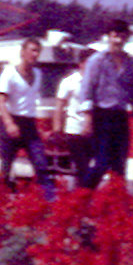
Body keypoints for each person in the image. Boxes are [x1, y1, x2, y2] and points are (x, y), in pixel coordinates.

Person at [77, 20, 133, 190]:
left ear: (127, 38)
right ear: (108, 37)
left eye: (122, 36)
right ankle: (82, 196)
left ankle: (117, 204)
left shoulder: (130, 62)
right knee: (102, 162)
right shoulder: (97, 60)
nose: (118, 40)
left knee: (120, 165)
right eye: (115, 35)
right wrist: (87, 119)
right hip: (102, 115)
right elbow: (87, 90)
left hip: (120, 116)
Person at [0, 37, 57, 199]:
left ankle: (49, 199)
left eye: (38, 51)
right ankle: (0, 198)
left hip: (29, 124)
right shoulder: (9, 73)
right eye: (32, 50)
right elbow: (1, 101)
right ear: (22, 52)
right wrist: (9, 123)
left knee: (40, 161)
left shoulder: (37, 74)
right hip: (11, 121)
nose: (35, 54)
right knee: (6, 165)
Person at [49, 52, 93, 187]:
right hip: (74, 129)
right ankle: (82, 196)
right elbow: (59, 106)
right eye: (89, 63)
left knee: (90, 166)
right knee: (82, 166)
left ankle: (81, 193)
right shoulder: (69, 82)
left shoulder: (98, 81)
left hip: (93, 130)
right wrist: (57, 129)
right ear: (81, 64)